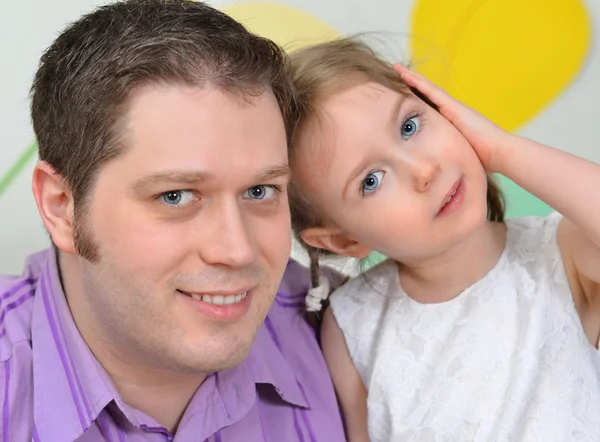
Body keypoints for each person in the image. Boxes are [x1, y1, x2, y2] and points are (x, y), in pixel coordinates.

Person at [0, 1, 347, 440]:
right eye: (176, 196)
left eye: (260, 191)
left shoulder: (347, 330)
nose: (237, 250)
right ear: (61, 206)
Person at [287, 38, 600, 441]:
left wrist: (504, 150)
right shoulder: (352, 323)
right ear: (343, 241)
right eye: (371, 180)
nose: (424, 170)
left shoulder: (561, 253)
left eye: (410, 126)